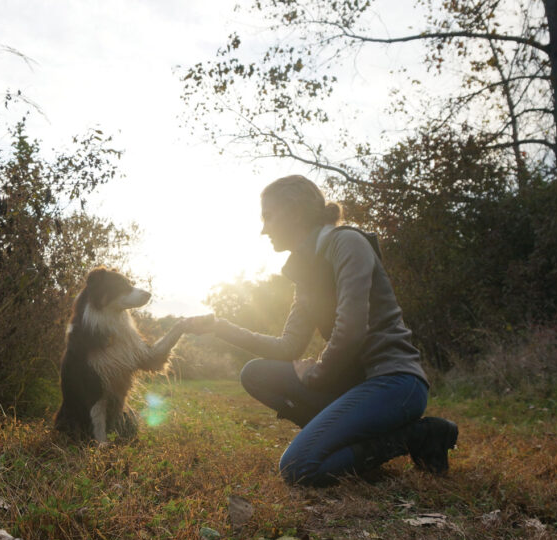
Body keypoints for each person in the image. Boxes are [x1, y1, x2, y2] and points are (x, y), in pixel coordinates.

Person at [187, 175, 458, 487]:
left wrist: (317, 374)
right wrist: (220, 327)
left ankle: (418, 435)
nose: (264, 229)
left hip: (394, 382)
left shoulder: (347, 243)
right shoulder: (306, 272)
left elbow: (351, 329)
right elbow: (288, 346)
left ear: (295, 212)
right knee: (256, 373)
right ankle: (346, 444)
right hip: (353, 384)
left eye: (268, 216)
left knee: (299, 467)